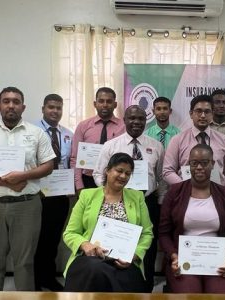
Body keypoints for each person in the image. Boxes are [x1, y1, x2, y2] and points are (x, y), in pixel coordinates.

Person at [0, 86, 55, 291]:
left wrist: (23, 176)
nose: (11, 105)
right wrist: (8, 181)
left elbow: (48, 166)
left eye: (16, 101)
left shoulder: (36, 133)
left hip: (27, 206)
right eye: (6, 101)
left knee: (24, 262)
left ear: (23, 107)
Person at [93, 105, 164, 292]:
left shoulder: (156, 146)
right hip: (115, 202)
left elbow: (160, 177)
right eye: (132, 118)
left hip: (146, 202)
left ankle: (145, 287)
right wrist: (108, 195)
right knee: (114, 245)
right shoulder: (111, 146)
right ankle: (114, 286)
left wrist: (160, 200)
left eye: (141, 119)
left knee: (146, 248)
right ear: (124, 120)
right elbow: (98, 173)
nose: (136, 122)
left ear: (146, 121)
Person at [63, 152, 153, 292]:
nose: (123, 176)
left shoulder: (137, 197)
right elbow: (70, 233)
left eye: (128, 173)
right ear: (107, 170)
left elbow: (147, 233)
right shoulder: (87, 195)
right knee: (96, 269)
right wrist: (85, 244)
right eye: (119, 171)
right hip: (91, 258)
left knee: (122, 276)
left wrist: (134, 254)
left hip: (124, 261)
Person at [159, 144, 225, 293]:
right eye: (194, 163)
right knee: (190, 294)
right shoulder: (175, 192)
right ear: (189, 165)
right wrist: (174, 256)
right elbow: (164, 233)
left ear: (213, 164)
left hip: (216, 261)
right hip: (184, 260)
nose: (199, 167)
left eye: (205, 163)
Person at [34, 94, 73, 291]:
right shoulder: (32, 131)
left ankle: (48, 277)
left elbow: (71, 163)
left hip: (60, 196)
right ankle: (34, 280)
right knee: (35, 239)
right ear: (43, 108)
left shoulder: (68, 134)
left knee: (53, 239)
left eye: (58, 108)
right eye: (51, 107)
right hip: (37, 195)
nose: (55, 111)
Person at [163, 94, 225, 194]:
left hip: (217, 195)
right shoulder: (177, 140)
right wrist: (185, 187)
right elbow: (167, 171)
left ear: (212, 114)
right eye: (198, 111)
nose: (203, 115)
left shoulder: (224, 140)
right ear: (191, 114)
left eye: (207, 112)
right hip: (186, 195)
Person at [70, 87, 125, 192]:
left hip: (115, 180)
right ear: (95, 104)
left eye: (109, 101)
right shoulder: (83, 126)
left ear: (115, 105)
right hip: (88, 180)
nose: (105, 105)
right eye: (101, 101)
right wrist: (79, 185)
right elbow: (75, 158)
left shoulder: (124, 127)